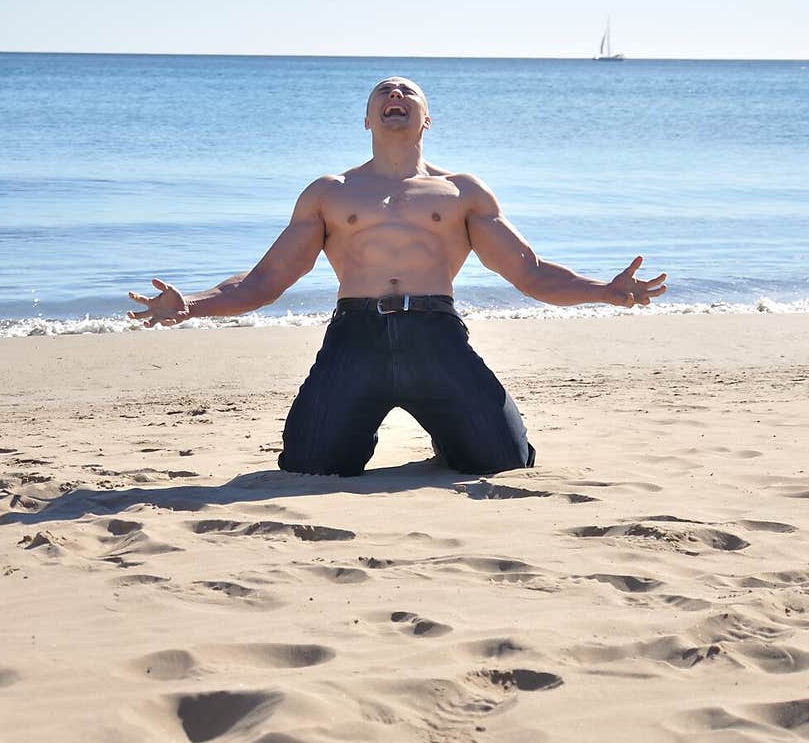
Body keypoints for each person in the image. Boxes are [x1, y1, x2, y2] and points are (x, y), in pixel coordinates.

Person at [128, 77, 667, 476]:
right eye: (383, 92)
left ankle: (454, 433)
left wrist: (604, 291)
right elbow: (265, 280)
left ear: (426, 119)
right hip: (354, 340)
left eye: (408, 93)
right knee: (308, 467)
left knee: (504, 462)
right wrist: (192, 304)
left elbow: (528, 271)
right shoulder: (329, 192)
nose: (395, 96)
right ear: (367, 120)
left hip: (435, 337)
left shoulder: (462, 191)